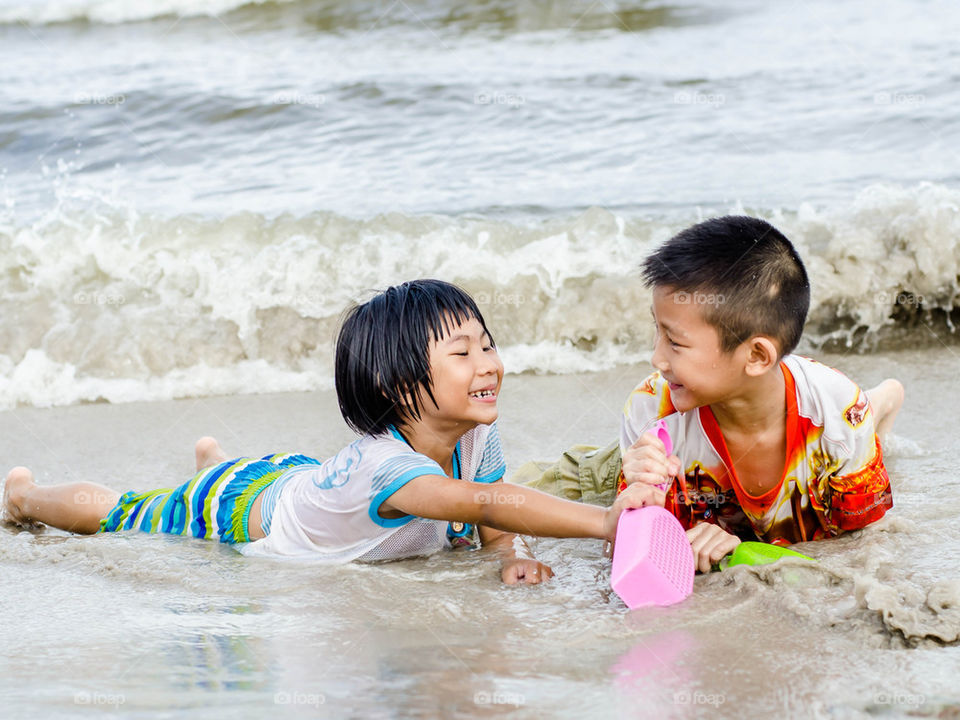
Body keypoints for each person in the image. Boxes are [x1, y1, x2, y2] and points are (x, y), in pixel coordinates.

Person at [2, 279, 662, 584]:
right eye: (462, 355)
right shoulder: (392, 472)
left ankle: (216, 456)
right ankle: (28, 496)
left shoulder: (471, 434)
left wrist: (509, 557)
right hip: (236, 512)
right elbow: (483, 502)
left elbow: (492, 510)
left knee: (269, 475)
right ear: (393, 387)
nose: (488, 363)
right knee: (125, 512)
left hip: (297, 477)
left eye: (486, 345)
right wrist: (603, 522)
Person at [513, 216, 903, 572]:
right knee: (509, 500)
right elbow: (629, 554)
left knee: (859, 416)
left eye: (675, 343)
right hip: (650, 449)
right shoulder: (653, 410)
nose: (656, 358)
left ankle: (883, 397)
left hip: (824, 416)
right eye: (657, 330)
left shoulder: (839, 415)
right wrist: (638, 493)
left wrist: (739, 551)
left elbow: (856, 547)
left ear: (755, 355)